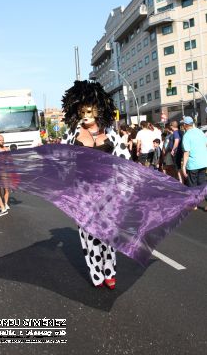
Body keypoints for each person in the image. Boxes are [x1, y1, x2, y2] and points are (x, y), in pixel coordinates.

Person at [61, 80, 131, 290]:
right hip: (83, 194)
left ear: (99, 110)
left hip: (109, 193)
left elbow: (125, 160)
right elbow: (63, 162)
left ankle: (109, 271)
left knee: (109, 234)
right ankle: (96, 272)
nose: (85, 116)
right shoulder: (71, 134)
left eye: (89, 111)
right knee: (90, 235)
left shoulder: (110, 133)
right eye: (82, 111)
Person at [181, 116, 207, 211]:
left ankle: (194, 204)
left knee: (192, 184)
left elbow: (186, 152)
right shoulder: (200, 131)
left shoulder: (187, 135)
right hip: (203, 161)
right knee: (202, 183)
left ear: (185, 125)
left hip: (193, 163)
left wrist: (184, 166)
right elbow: (205, 145)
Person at [0, 134, 10, 210]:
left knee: (6, 189)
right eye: (0, 140)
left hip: (6, 171)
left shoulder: (7, 149)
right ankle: (1, 204)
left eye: (2, 140)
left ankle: (6, 204)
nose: (2, 141)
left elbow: (10, 160)